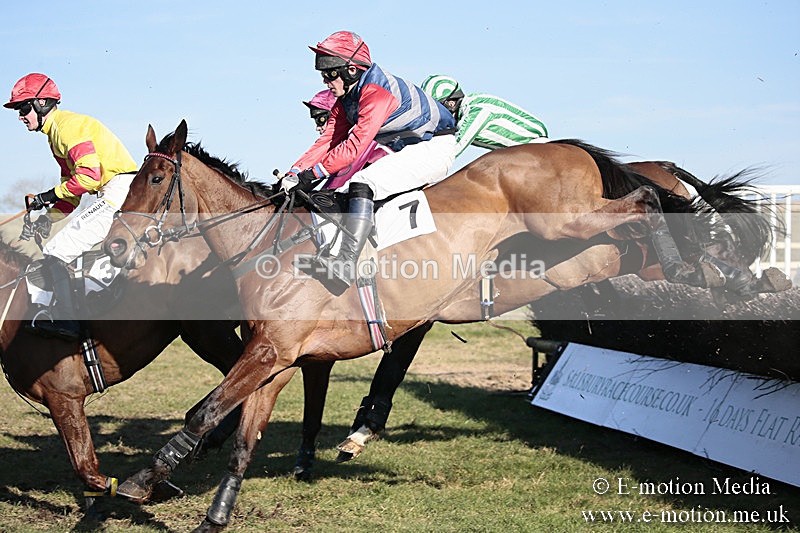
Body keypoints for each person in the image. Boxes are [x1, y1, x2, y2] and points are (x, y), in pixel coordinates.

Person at [283, 31, 456, 288]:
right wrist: (295, 172)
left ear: (352, 70)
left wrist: (314, 174)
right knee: (337, 193)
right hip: (409, 149)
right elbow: (327, 141)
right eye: (322, 74)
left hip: (434, 147)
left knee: (363, 182)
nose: (325, 81)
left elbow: (354, 146)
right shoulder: (347, 98)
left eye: (330, 74)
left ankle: (346, 262)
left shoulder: (375, 92)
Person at [4, 73, 137, 340]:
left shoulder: (67, 127)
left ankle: (69, 323)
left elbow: (89, 177)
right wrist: (47, 219)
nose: (20, 116)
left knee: (57, 250)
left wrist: (47, 195)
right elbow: (72, 194)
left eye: (24, 108)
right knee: (63, 247)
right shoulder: (55, 136)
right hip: (111, 191)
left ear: (42, 103)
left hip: (118, 189)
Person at [420, 74, 549, 158]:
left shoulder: (477, 110)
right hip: (520, 154)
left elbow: (455, 148)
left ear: (451, 103)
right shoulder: (469, 107)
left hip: (536, 150)